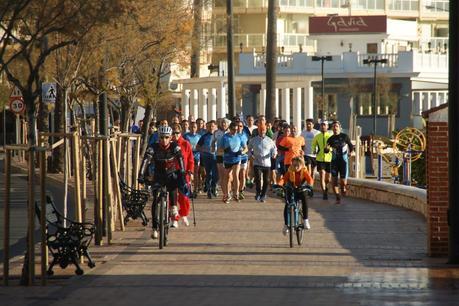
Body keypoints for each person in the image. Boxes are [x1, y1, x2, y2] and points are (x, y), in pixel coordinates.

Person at [138, 126, 188, 239]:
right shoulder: (153, 147)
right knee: (155, 199)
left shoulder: (175, 146)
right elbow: (146, 160)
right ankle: (155, 227)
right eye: (161, 137)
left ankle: (174, 206)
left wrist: (183, 173)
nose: (164, 140)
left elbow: (180, 159)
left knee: (174, 182)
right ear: (158, 138)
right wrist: (141, 175)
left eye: (166, 137)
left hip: (171, 173)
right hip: (158, 175)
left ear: (170, 137)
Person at [282, 157, 313, 235]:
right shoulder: (290, 171)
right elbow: (284, 179)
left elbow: (310, 180)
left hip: (301, 190)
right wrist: (278, 185)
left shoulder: (304, 171)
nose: (295, 167)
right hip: (292, 190)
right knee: (287, 204)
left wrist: (309, 186)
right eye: (294, 164)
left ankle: (305, 220)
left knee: (305, 200)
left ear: (302, 165)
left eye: (297, 165)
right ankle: (286, 225)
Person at [172, 123, 194, 226]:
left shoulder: (185, 144)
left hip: (183, 174)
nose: (175, 135)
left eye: (177, 133)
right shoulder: (169, 144)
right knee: (172, 198)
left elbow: (190, 160)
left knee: (184, 197)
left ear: (181, 133)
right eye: (173, 133)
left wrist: (191, 171)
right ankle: (174, 219)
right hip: (171, 173)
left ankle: (183, 214)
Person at [248, 124, 277, 202]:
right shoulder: (253, 140)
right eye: (260, 130)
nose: (262, 131)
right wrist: (250, 155)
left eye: (263, 130)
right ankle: (258, 193)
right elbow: (249, 149)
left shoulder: (269, 140)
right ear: (258, 131)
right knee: (258, 178)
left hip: (267, 163)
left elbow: (274, 149)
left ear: (266, 131)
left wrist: (274, 154)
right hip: (257, 162)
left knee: (266, 180)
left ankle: (263, 195)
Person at [327, 121, 354, 204]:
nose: (335, 128)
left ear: (339, 127)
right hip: (334, 161)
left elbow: (351, 146)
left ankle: (343, 188)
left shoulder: (344, 136)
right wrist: (326, 149)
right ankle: (337, 197)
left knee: (343, 182)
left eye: (336, 126)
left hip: (343, 162)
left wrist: (351, 152)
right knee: (334, 181)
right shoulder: (330, 139)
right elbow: (326, 149)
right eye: (333, 126)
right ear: (332, 128)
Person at [221, 121, 243, 204]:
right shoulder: (225, 137)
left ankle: (236, 193)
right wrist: (225, 150)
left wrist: (241, 152)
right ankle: (227, 194)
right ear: (229, 129)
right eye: (233, 129)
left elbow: (246, 148)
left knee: (235, 174)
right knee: (227, 177)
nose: (235, 131)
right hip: (227, 159)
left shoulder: (239, 137)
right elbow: (219, 149)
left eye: (237, 130)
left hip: (237, 158)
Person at [197, 120, 218, 199]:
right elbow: (198, 146)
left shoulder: (218, 136)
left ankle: (213, 186)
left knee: (216, 175)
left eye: (212, 126)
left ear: (215, 127)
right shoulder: (204, 136)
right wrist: (203, 151)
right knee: (208, 174)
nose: (211, 128)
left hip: (216, 157)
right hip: (207, 157)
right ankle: (209, 190)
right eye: (209, 126)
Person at [312, 121, 333, 200]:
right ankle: (324, 192)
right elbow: (313, 145)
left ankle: (326, 187)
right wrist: (314, 150)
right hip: (320, 159)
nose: (323, 127)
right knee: (322, 175)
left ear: (327, 127)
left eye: (324, 125)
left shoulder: (330, 136)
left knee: (328, 178)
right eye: (322, 125)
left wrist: (329, 149)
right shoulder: (317, 136)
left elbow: (333, 146)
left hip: (329, 159)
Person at [212, 118, 229, 203]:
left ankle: (228, 191)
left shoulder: (231, 132)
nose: (223, 124)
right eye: (222, 123)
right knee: (222, 176)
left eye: (225, 123)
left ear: (228, 124)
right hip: (219, 155)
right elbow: (213, 142)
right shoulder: (216, 133)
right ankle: (225, 194)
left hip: (229, 157)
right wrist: (212, 148)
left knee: (229, 177)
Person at [184, 121, 201, 198]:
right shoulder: (186, 136)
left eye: (194, 127)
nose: (193, 128)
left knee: (196, 173)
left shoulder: (199, 136)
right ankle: (189, 189)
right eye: (191, 127)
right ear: (189, 128)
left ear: (196, 128)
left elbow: (201, 146)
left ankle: (195, 189)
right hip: (188, 156)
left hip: (196, 156)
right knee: (188, 173)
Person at [237, 120, 249, 200]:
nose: (238, 128)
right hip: (233, 158)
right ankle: (235, 190)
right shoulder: (231, 135)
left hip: (243, 157)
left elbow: (246, 148)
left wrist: (242, 152)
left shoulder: (244, 136)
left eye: (240, 126)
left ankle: (241, 191)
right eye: (237, 126)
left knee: (242, 173)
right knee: (235, 175)